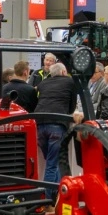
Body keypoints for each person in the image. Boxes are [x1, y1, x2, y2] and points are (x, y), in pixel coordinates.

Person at [35, 62, 76, 191]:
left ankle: (57, 194)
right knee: (52, 164)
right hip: (57, 124)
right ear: (64, 72)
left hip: (39, 123)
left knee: (53, 161)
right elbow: (72, 106)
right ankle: (47, 198)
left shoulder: (43, 83)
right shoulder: (70, 82)